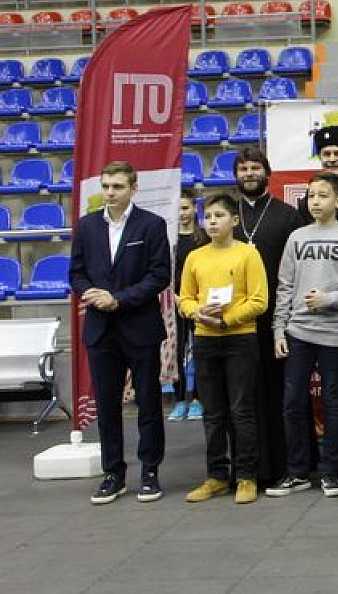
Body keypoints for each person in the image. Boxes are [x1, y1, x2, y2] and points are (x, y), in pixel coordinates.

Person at [69, 161, 172, 505]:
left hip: (140, 327)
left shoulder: (152, 224)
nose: (110, 193)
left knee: (148, 404)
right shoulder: (87, 226)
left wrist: (119, 299)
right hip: (101, 329)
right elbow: (76, 273)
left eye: (117, 186)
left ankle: (150, 471)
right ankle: (113, 473)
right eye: (106, 186)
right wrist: (90, 293)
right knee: (107, 406)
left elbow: (159, 275)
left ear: (133, 188)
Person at [267, 172, 338, 499]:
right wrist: (279, 329)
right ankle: (298, 472)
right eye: (311, 195)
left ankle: (331, 471)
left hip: (335, 333)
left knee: (334, 402)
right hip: (298, 331)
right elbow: (284, 286)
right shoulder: (297, 237)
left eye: (323, 195)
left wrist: (330, 299)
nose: (315, 201)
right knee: (293, 402)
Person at [177, 194, 269, 505]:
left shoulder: (247, 254)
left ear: (235, 220)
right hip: (204, 338)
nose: (213, 222)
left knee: (241, 410)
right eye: (209, 216)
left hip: (240, 337)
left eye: (220, 216)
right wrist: (197, 313)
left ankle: (246, 476)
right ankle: (216, 476)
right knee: (212, 412)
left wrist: (227, 320)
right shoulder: (195, 257)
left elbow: (259, 301)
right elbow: (185, 298)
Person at [231, 146, 304, 486]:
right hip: (235, 319)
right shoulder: (227, 216)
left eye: (255, 168)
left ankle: (282, 466)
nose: (249, 174)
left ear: (267, 173)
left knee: (278, 394)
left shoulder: (288, 216)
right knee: (242, 396)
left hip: (277, 318)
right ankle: (246, 468)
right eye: (243, 169)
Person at [169, 189, 209, 422]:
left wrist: (196, 301)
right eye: (177, 209)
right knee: (177, 353)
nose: (182, 213)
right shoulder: (168, 239)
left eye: (185, 208)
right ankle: (180, 400)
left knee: (201, 352)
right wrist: (176, 298)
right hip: (175, 303)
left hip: (200, 304)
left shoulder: (204, 238)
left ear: (195, 208)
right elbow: (165, 273)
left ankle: (198, 399)